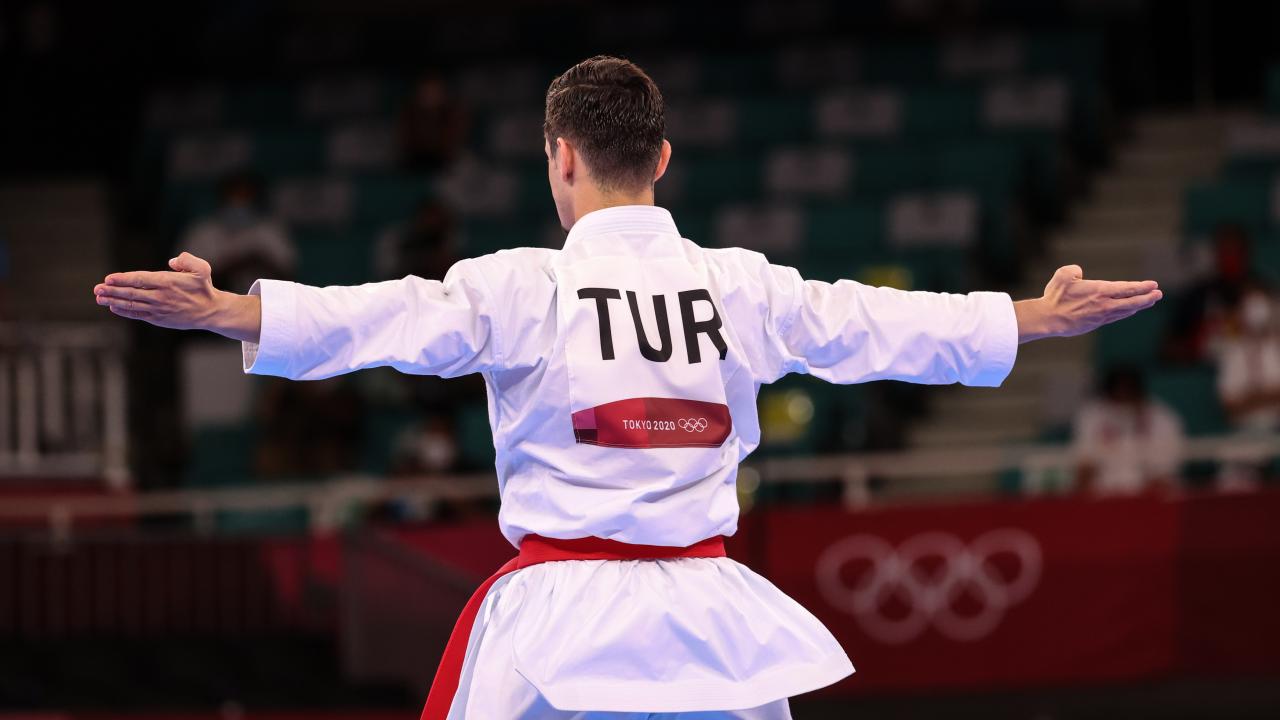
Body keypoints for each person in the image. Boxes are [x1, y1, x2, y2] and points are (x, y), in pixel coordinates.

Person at [93, 56, 1163, 720]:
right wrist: (1029, 315)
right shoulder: (740, 286)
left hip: (558, 623)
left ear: (560, 159)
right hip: (709, 621)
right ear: (661, 158)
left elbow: (383, 317)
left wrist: (232, 311)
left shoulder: (521, 286)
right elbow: (878, 325)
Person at [1071, 365, 1184, 496]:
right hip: (1103, 491)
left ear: (1138, 391)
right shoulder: (1091, 415)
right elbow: (1085, 466)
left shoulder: (1163, 417)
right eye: (1118, 391)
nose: (1123, 394)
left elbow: (1165, 470)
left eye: (1128, 390)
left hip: (1150, 490)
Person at [179, 171, 295, 294]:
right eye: (234, 195)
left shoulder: (271, 230)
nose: (239, 202)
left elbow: (288, 276)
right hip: (211, 300)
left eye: (245, 196)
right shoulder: (202, 231)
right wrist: (236, 264)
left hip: (262, 301)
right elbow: (187, 279)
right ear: (222, 198)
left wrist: (260, 260)